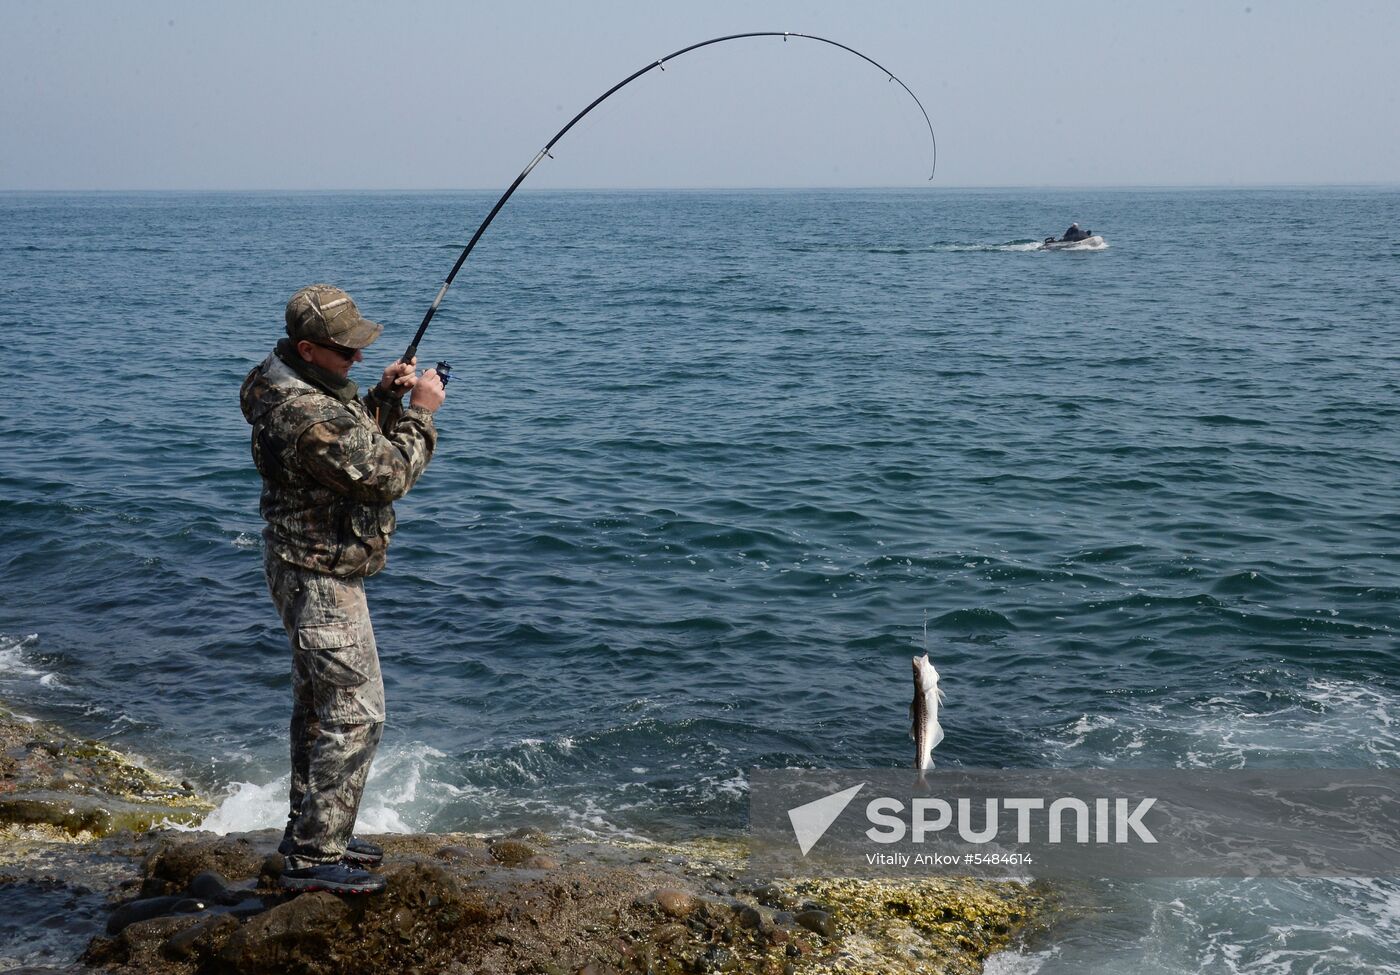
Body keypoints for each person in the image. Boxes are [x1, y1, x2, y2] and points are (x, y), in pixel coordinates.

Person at [240, 284, 446, 894]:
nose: (356, 361)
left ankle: (313, 828)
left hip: (301, 562)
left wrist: (382, 395)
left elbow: (346, 442)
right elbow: (385, 474)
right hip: (319, 576)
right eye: (345, 353)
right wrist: (421, 411)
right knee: (357, 714)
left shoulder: (280, 380)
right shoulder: (309, 415)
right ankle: (313, 857)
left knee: (317, 708)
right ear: (307, 348)